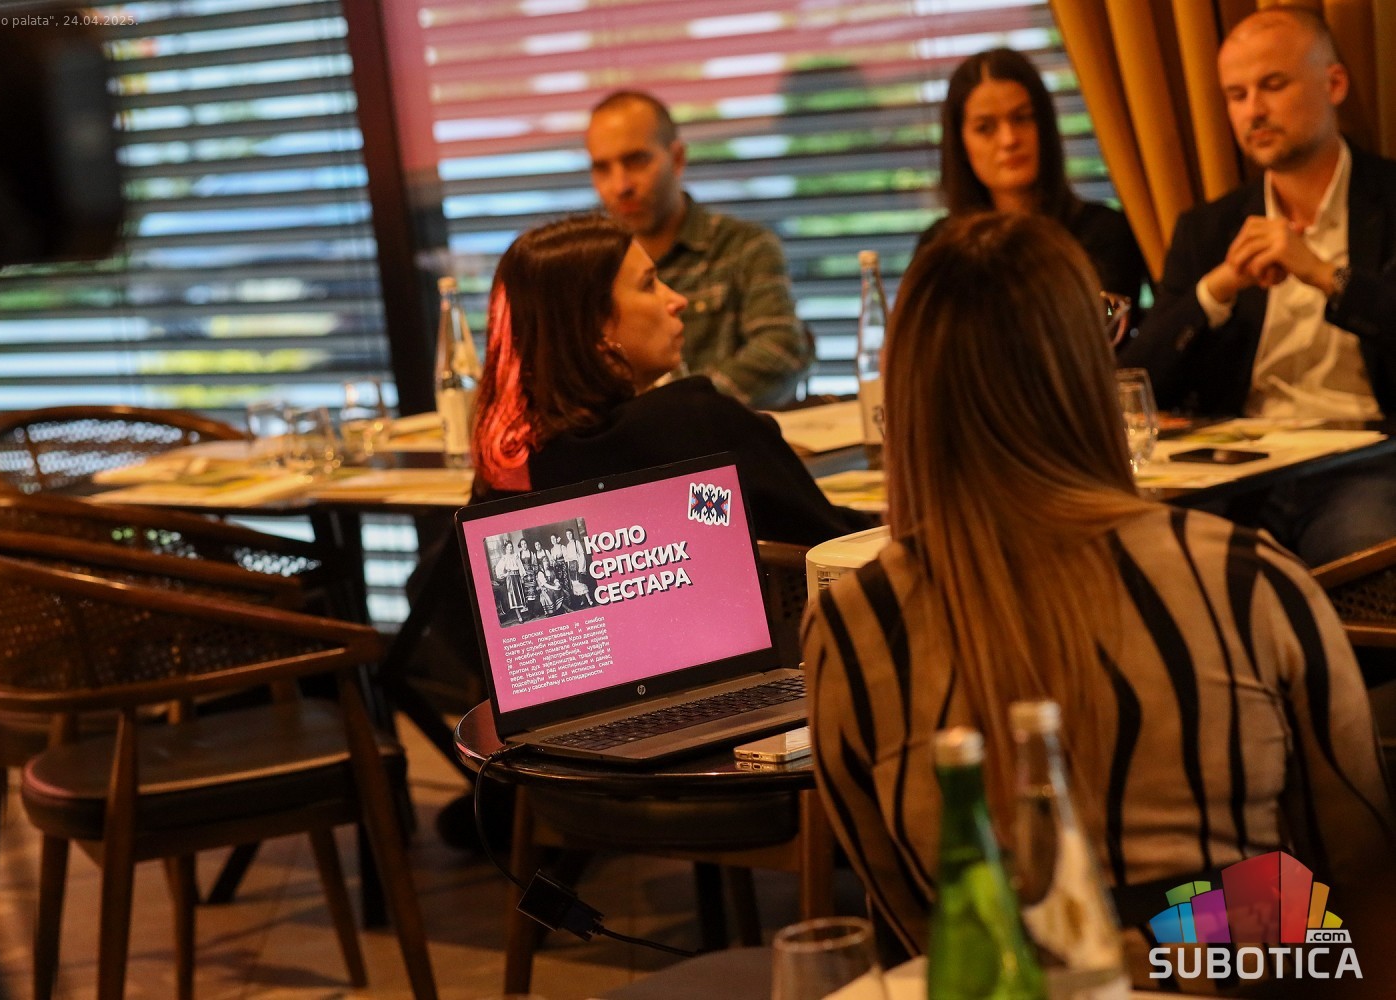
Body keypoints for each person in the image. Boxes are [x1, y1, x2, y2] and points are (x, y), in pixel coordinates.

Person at [801, 212, 1394, 981]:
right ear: (1089, 370)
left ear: (907, 389)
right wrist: (1164, 945)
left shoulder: (852, 627)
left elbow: (911, 917)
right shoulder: (1246, 581)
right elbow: (1359, 882)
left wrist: (1069, 956)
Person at [1122, 7, 1396, 565]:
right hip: (1244, 466)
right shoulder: (1208, 228)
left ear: (1334, 84)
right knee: (1159, 554)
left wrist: (1324, 275)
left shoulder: (1390, 199)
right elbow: (1141, 380)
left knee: (1357, 544)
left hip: (1367, 458)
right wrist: (1216, 290)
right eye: (1237, 94)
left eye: (1273, 85)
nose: (1254, 110)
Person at [471, 214, 869, 547]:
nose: (677, 300)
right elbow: (827, 541)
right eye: (649, 284)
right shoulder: (698, 427)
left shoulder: (508, 464)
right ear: (594, 327)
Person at [585, 90, 811, 408]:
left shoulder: (744, 247)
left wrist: (678, 407)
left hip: (724, 435)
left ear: (677, 159)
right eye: (602, 168)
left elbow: (780, 351)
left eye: (636, 161)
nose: (620, 185)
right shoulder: (587, 267)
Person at [924, 47, 1146, 309]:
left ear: (1045, 126)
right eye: (985, 128)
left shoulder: (1104, 233)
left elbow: (1105, 323)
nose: (1009, 140)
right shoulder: (939, 245)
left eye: (1022, 118)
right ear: (960, 144)